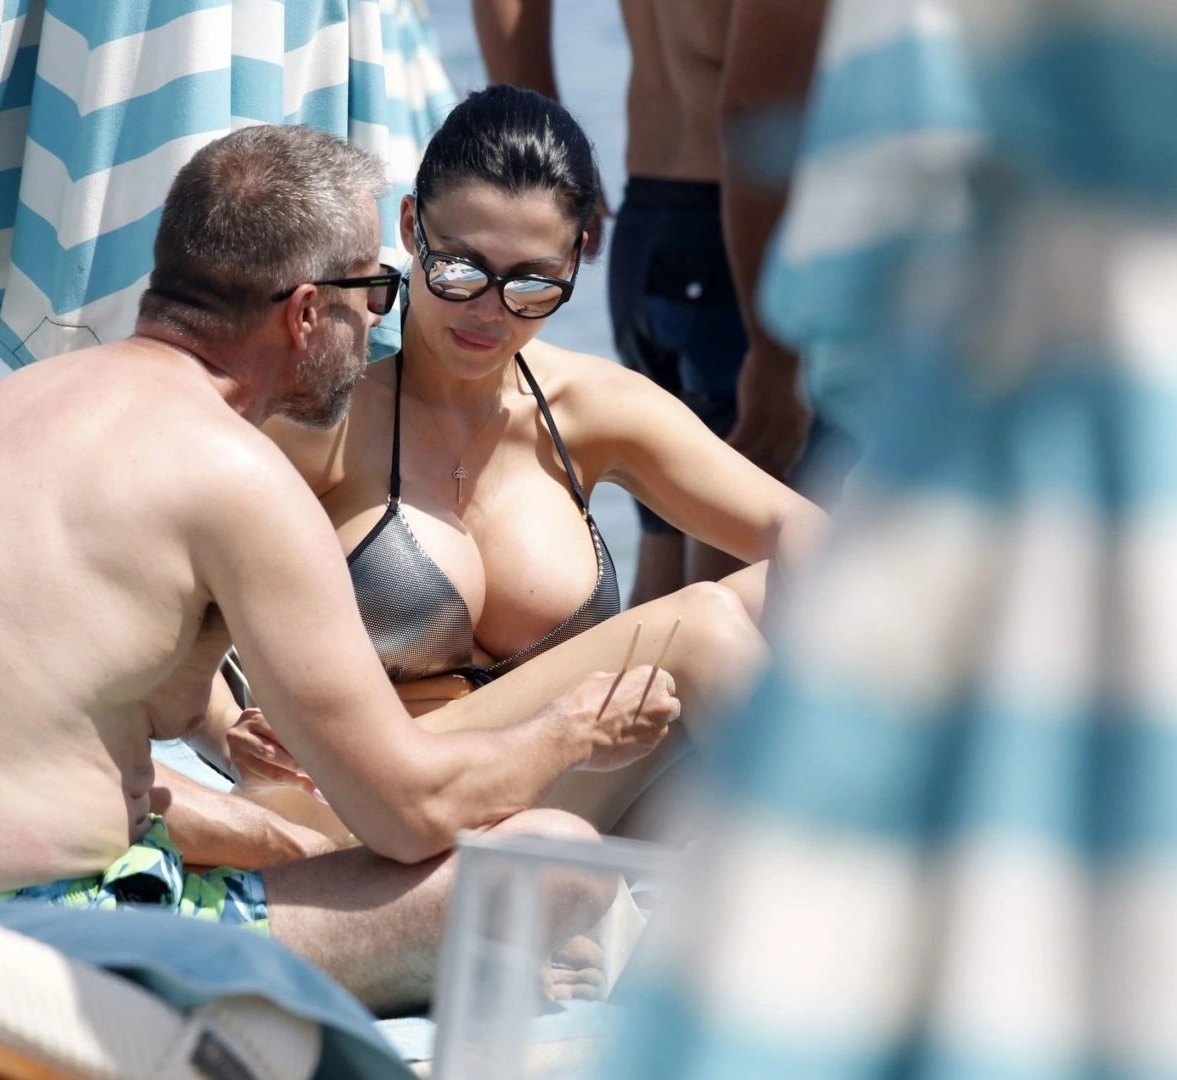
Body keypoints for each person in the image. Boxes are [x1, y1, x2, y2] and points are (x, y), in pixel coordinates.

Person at [0, 124, 680, 1016]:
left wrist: (283, 843)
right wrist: (574, 730)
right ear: (306, 313)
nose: (381, 317)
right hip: (23, 948)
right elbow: (409, 813)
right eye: (373, 290)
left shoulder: (23, 400)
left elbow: (57, 749)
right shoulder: (237, 474)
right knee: (554, 859)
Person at [212, 86, 828, 842]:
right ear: (409, 228)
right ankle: (864, 867)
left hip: (555, 790)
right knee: (699, 627)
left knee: (785, 587)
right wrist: (221, 722)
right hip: (374, 801)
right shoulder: (325, 420)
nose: (489, 311)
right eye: (461, 270)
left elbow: (808, 534)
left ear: (575, 259)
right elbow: (162, 573)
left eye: (532, 284)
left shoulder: (590, 407)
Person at [470, 0, 833, 604]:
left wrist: (550, 159)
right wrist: (772, 349)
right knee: (750, 580)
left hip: (648, 226)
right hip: (740, 241)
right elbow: (754, 112)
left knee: (667, 560)